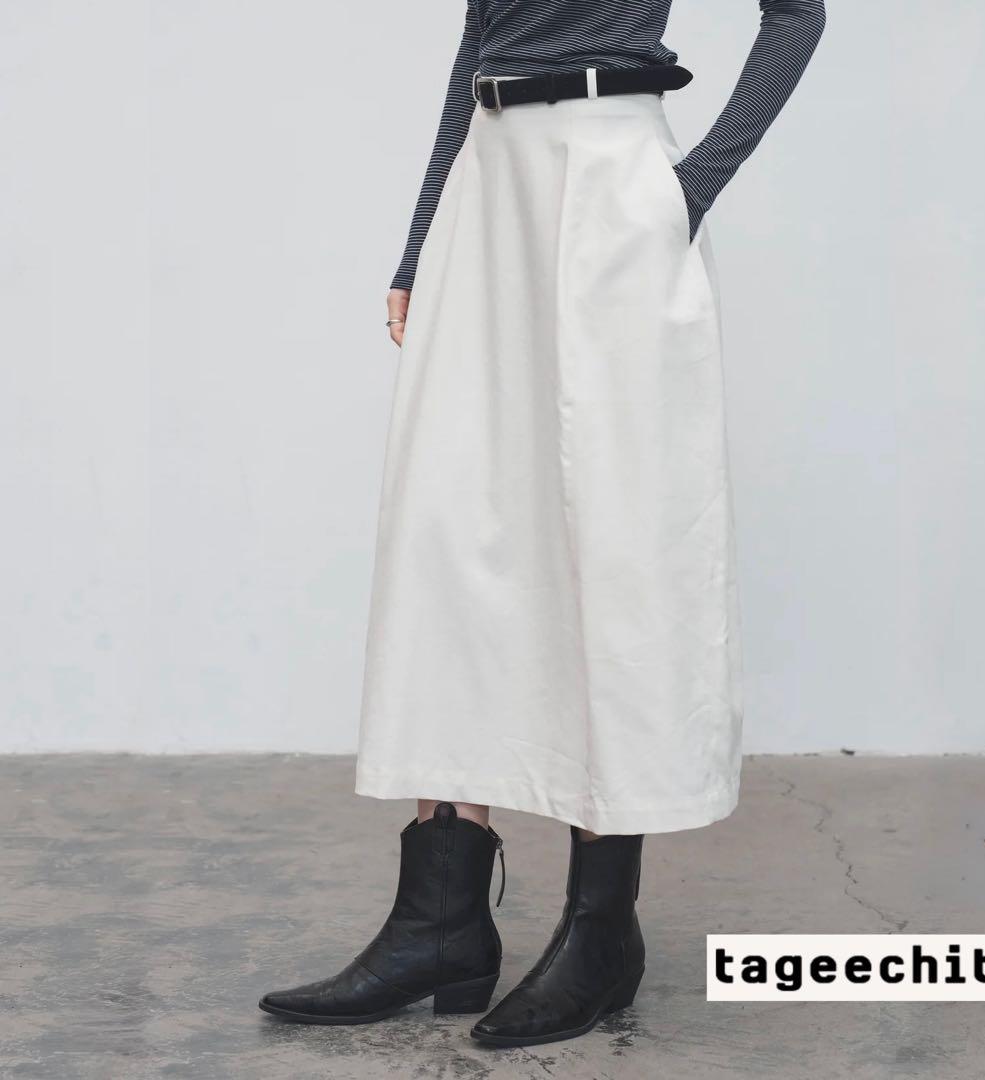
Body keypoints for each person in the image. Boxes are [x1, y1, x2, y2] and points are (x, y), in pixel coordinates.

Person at [260, 0, 826, 1048]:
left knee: (611, 536)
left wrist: (689, 191)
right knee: (451, 527)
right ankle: (439, 923)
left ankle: (601, 932)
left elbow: (796, 14)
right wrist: (419, 240)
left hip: (610, 179)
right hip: (488, 187)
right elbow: (480, 39)